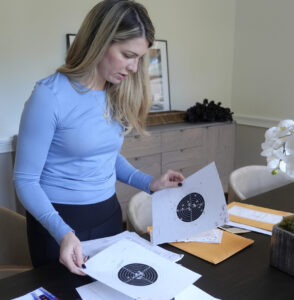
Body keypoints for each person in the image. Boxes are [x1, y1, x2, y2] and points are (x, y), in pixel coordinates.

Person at [14, 0, 184, 276]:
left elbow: (106, 157)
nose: (133, 67)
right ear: (99, 42)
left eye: (139, 58)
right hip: (57, 222)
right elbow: (25, 180)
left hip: (107, 214)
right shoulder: (49, 96)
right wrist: (63, 233)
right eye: (128, 54)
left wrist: (150, 183)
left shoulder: (115, 94)